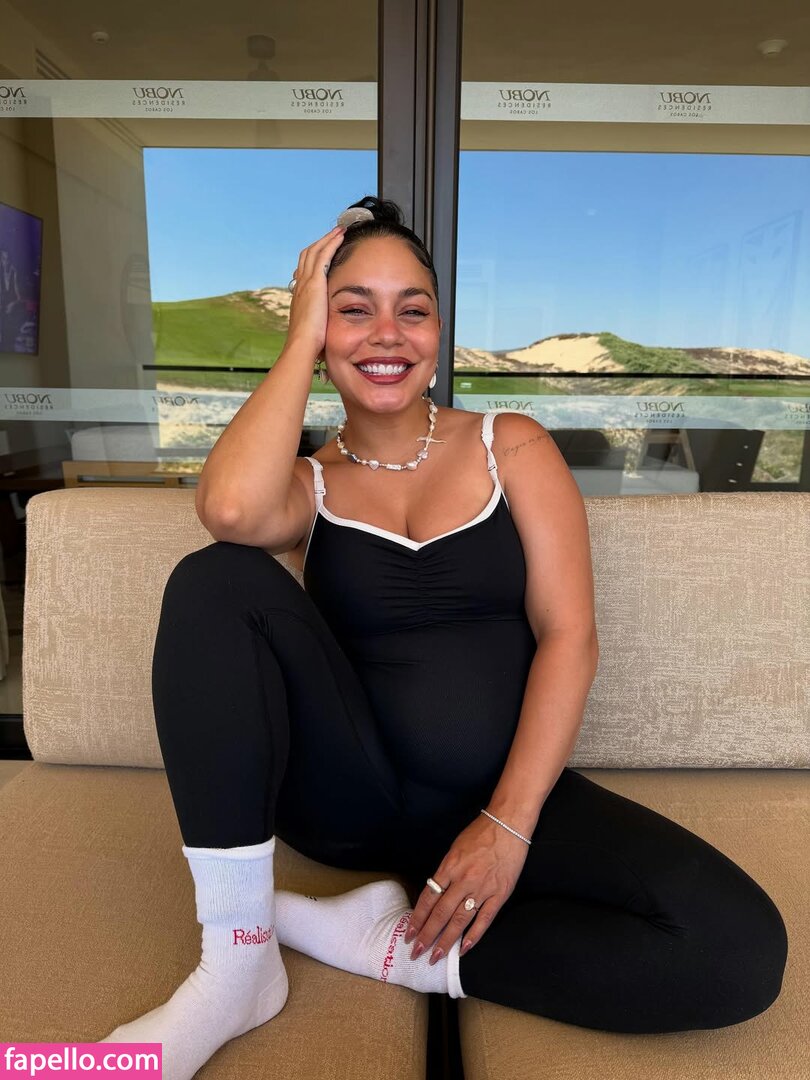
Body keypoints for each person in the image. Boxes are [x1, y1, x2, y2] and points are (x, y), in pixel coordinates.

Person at [100, 196, 788, 1080]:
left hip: (503, 795)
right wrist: (300, 336)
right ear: (320, 329)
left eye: (412, 309)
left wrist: (507, 825)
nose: (387, 333)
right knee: (215, 577)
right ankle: (237, 964)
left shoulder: (512, 446)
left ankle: (385, 944)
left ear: (438, 329)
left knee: (738, 951)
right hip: (349, 805)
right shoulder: (308, 483)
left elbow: (570, 636)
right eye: (354, 309)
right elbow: (230, 511)